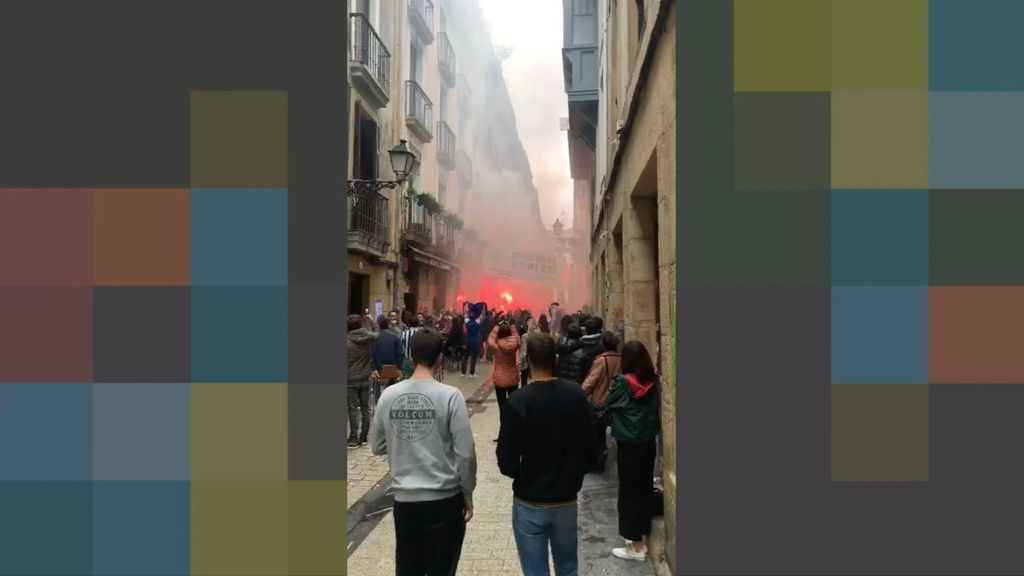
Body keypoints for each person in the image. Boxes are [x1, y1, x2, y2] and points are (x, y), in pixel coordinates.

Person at [370, 329, 477, 576]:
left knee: (409, 568)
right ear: (440, 357)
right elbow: (465, 453)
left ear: (411, 356)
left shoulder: (389, 395)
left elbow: (376, 445)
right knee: (442, 568)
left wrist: (402, 442)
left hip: (405, 502)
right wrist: (467, 491)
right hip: (445, 500)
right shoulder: (451, 396)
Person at [497, 333, 596, 576]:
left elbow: (506, 460)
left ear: (527, 361)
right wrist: (572, 474)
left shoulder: (519, 401)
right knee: (568, 567)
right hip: (565, 498)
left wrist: (521, 475)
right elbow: (591, 447)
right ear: (556, 359)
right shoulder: (575, 395)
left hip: (530, 499)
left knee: (535, 571)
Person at [605, 341, 660, 562]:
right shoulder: (653, 382)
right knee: (644, 489)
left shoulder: (622, 383)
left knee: (628, 493)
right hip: (647, 443)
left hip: (628, 444)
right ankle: (643, 539)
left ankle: (636, 547)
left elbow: (609, 403)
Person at [581, 332, 622, 473]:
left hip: (600, 401)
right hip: (617, 402)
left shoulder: (601, 360)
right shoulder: (622, 359)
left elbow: (590, 382)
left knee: (598, 436)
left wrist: (582, 392)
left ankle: (599, 463)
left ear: (603, 345)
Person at [348, 313, 380, 447]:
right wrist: (373, 321)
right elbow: (378, 333)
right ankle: (364, 436)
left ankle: (354, 438)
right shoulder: (368, 338)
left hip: (350, 378)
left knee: (353, 408)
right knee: (365, 408)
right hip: (365, 377)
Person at [488, 317, 521, 442]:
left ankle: (503, 434)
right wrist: (512, 326)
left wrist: (497, 326)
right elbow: (517, 337)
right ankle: (515, 432)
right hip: (513, 377)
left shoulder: (496, 346)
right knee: (513, 406)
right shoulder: (515, 344)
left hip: (500, 380)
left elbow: (490, 338)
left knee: (502, 408)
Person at [373, 315, 406, 390]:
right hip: (393, 369)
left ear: (378, 325)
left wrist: (373, 368)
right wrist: (399, 368)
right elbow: (400, 353)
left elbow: (372, 353)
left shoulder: (375, 338)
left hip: (379, 370)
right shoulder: (395, 337)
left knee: (378, 393)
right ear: (388, 325)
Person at [578, 317, 605, 382]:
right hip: (600, 377)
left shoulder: (579, 344)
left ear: (586, 330)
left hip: (584, 378)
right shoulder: (603, 343)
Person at [463, 305, 483, 377]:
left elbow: (465, 315)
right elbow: (481, 316)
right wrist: (482, 309)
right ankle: (472, 373)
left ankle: (463, 372)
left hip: (468, 341)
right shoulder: (477, 322)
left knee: (465, 356)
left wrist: (466, 307)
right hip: (475, 341)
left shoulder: (467, 322)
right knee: (473, 357)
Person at [400, 316, 422, 380]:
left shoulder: (404, 333)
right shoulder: (421, 334)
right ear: (418, 323)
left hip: (407, 360)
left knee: (407, 380)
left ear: (409, 324)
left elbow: (401, 346)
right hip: (419, 361)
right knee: (418, 380)